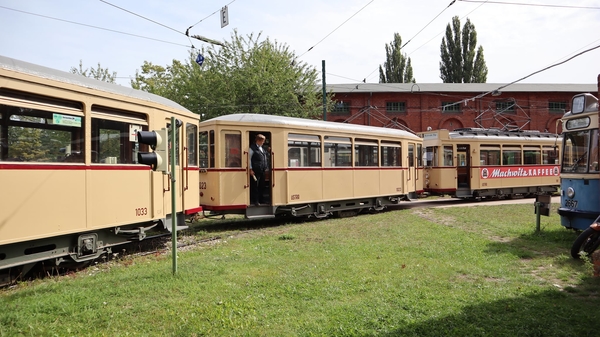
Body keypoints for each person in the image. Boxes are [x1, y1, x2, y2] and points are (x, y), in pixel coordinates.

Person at [249, 134, 268, 206]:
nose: (263, 142)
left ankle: (261, 199)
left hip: (262, 170)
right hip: (255, 170)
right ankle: (255, 200)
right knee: (255, 186)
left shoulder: (261, 148)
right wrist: (250, 169)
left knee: (261, 185)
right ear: (258, 140)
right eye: (262, 141)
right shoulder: (252, 148)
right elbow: (249, 159)